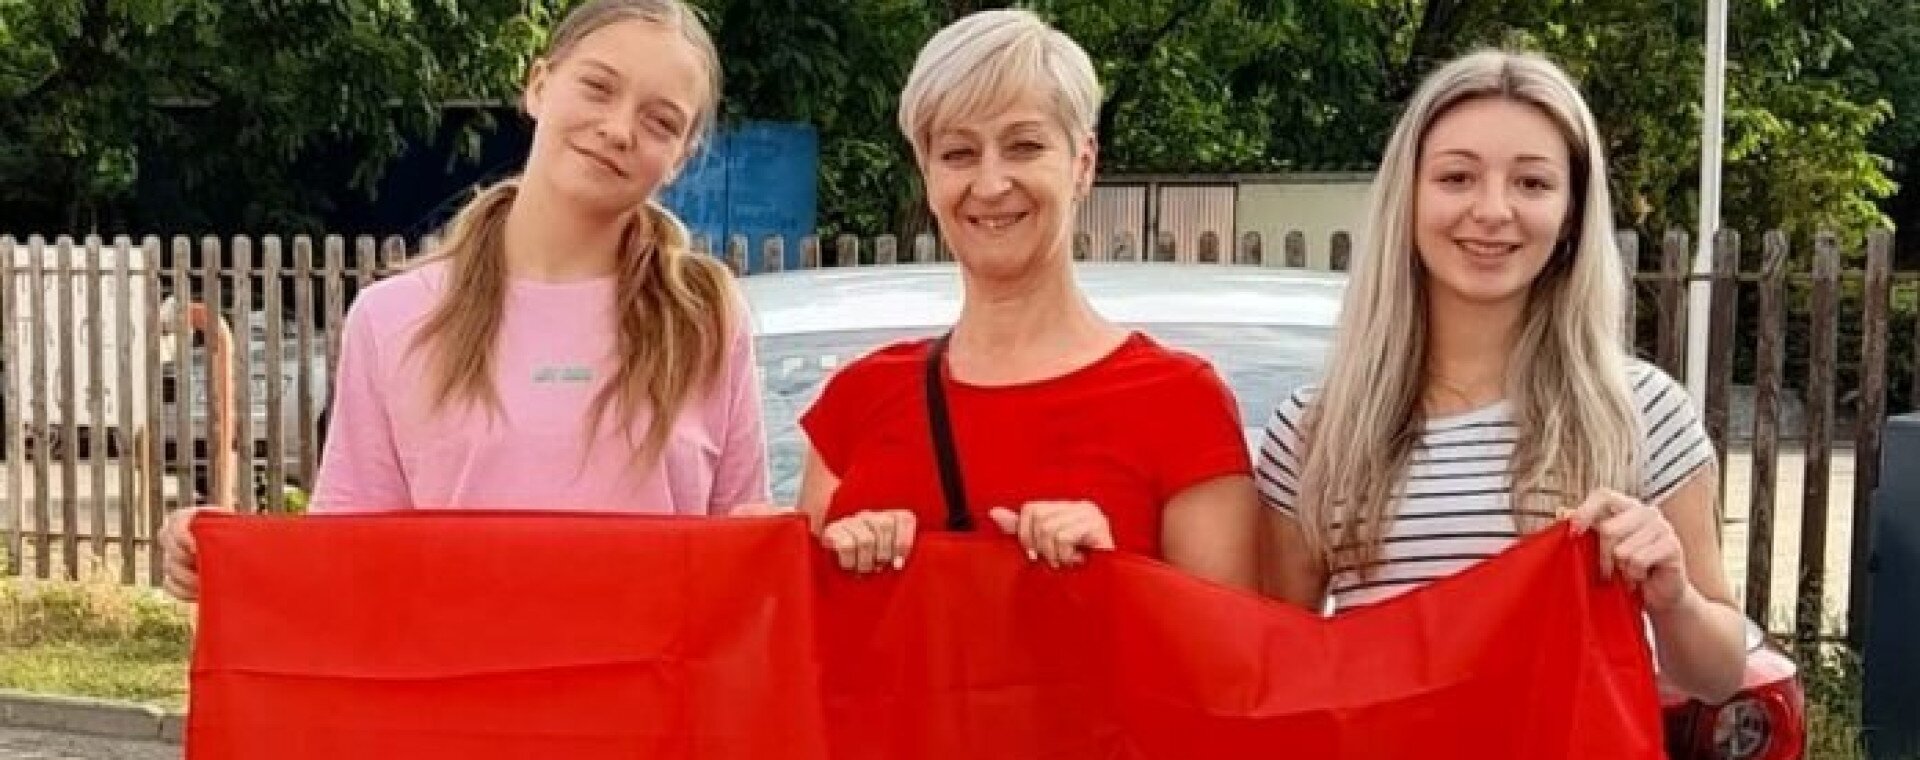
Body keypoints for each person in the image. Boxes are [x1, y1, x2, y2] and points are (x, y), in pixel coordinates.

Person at [159, 0, 769, 600]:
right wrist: (224, 559)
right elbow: (347, 563)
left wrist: (816, 541)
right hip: (444, 671)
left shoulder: (706, 322)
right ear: (539, 85)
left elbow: (750, 572)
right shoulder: (394, 318)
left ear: (682, 157)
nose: (618, 129)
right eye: (597, 87)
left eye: (660, 122)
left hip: (656, 672)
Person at [1256, 50, 1747, 701]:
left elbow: (1719, 675)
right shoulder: (1314, 430)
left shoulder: (1644, 411)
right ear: (1408, 196)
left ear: (1571, 213)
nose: (1492, 210)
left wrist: (1674, 596)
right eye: (1457, 177)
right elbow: (1273, 667)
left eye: (1532, 183)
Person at [796, 9, 1259, 590]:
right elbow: (792, 632)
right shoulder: (854, 405)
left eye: (1023, 146)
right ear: (927, 174)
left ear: (1083, 164)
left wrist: (1119, 576)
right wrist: (837, 574)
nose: (990, 184)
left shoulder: (1183, 407)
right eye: (959, 153)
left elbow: (1227, 643)